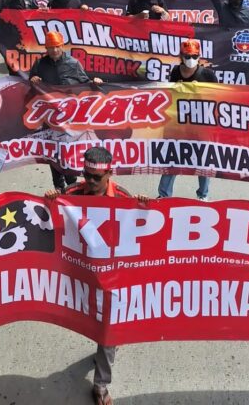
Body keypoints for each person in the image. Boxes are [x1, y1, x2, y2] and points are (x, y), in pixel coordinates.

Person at [44, 147, 148, 405]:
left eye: (96, 177)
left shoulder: (123, 198)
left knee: (108, 330)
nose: (89, 181)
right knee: (91, 321)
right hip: (81, 272)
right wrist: (49, 201)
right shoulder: (71, 193)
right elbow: (49, 221)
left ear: (109, 174)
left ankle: (101, 385)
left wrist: (144, 208)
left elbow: (141, 231)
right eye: (86, 175)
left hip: (111, 275)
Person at [29, 31, 102, 191]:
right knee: (53, 154)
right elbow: (30, 86)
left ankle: (71, 185)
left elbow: (85, 84)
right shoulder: (40, 65)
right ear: (46, 48)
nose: (54, 50)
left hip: (69, 119)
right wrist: (33, 80)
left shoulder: (73, 64)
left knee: (68, 152)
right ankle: (58, 187)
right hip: (50, 119)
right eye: (51, 47)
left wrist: (95, 83)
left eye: (57, 46)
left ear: (62, 46)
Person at [158, 40, 217, 201]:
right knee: (172, 159)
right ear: (181, 56)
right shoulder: (175, 71)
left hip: (200, 125)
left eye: (194, 56)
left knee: (203, 161)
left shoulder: (208, 75)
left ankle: (203, 195)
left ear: (199, 56)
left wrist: (200, 91)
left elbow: (217, 98)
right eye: (187, 56)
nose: (191, 59)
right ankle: (164, 195)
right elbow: (170, 96)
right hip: (178, 124)